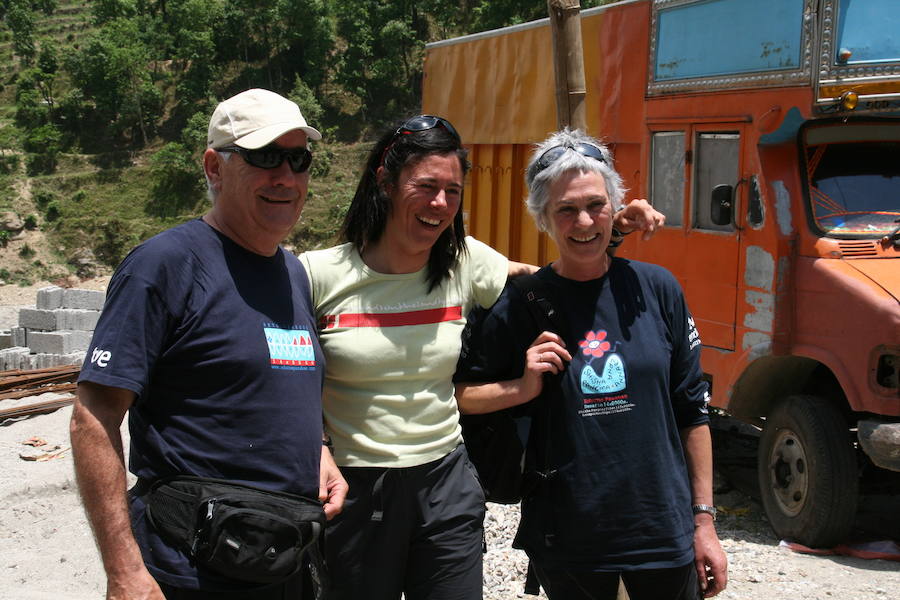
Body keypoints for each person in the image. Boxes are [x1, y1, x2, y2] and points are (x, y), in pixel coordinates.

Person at [298, 115, 665, 600]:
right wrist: (317, 447)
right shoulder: (317, 275)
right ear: (384, 182)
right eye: (426, 186)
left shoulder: (466, 262)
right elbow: (284, 383)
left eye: (453, 190)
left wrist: (606, 224)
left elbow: (552, 281)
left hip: (445, 483)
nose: (440, 204)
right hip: (354, 488)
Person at [70, 88, 348, 600]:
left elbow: (278, 385)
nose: (285, 176)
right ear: (214, 168)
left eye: (298, 158)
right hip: (190, 565)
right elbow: (94, 416)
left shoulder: (291, 272)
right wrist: (125, 571)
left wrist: (319, 452)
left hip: (282, 553)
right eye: (264, 157)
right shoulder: (164, 266)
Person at [455, 129, 728, 600]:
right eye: (566, 209)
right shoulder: (521, 303)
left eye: (596, 205)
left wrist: (703, 522)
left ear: (614, 207)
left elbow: (692, 413)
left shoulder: (657, 289)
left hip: (661, 530)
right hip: (570, 535)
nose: (584, 221)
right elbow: (460, 395)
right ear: (544, 217)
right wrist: (522, 387)